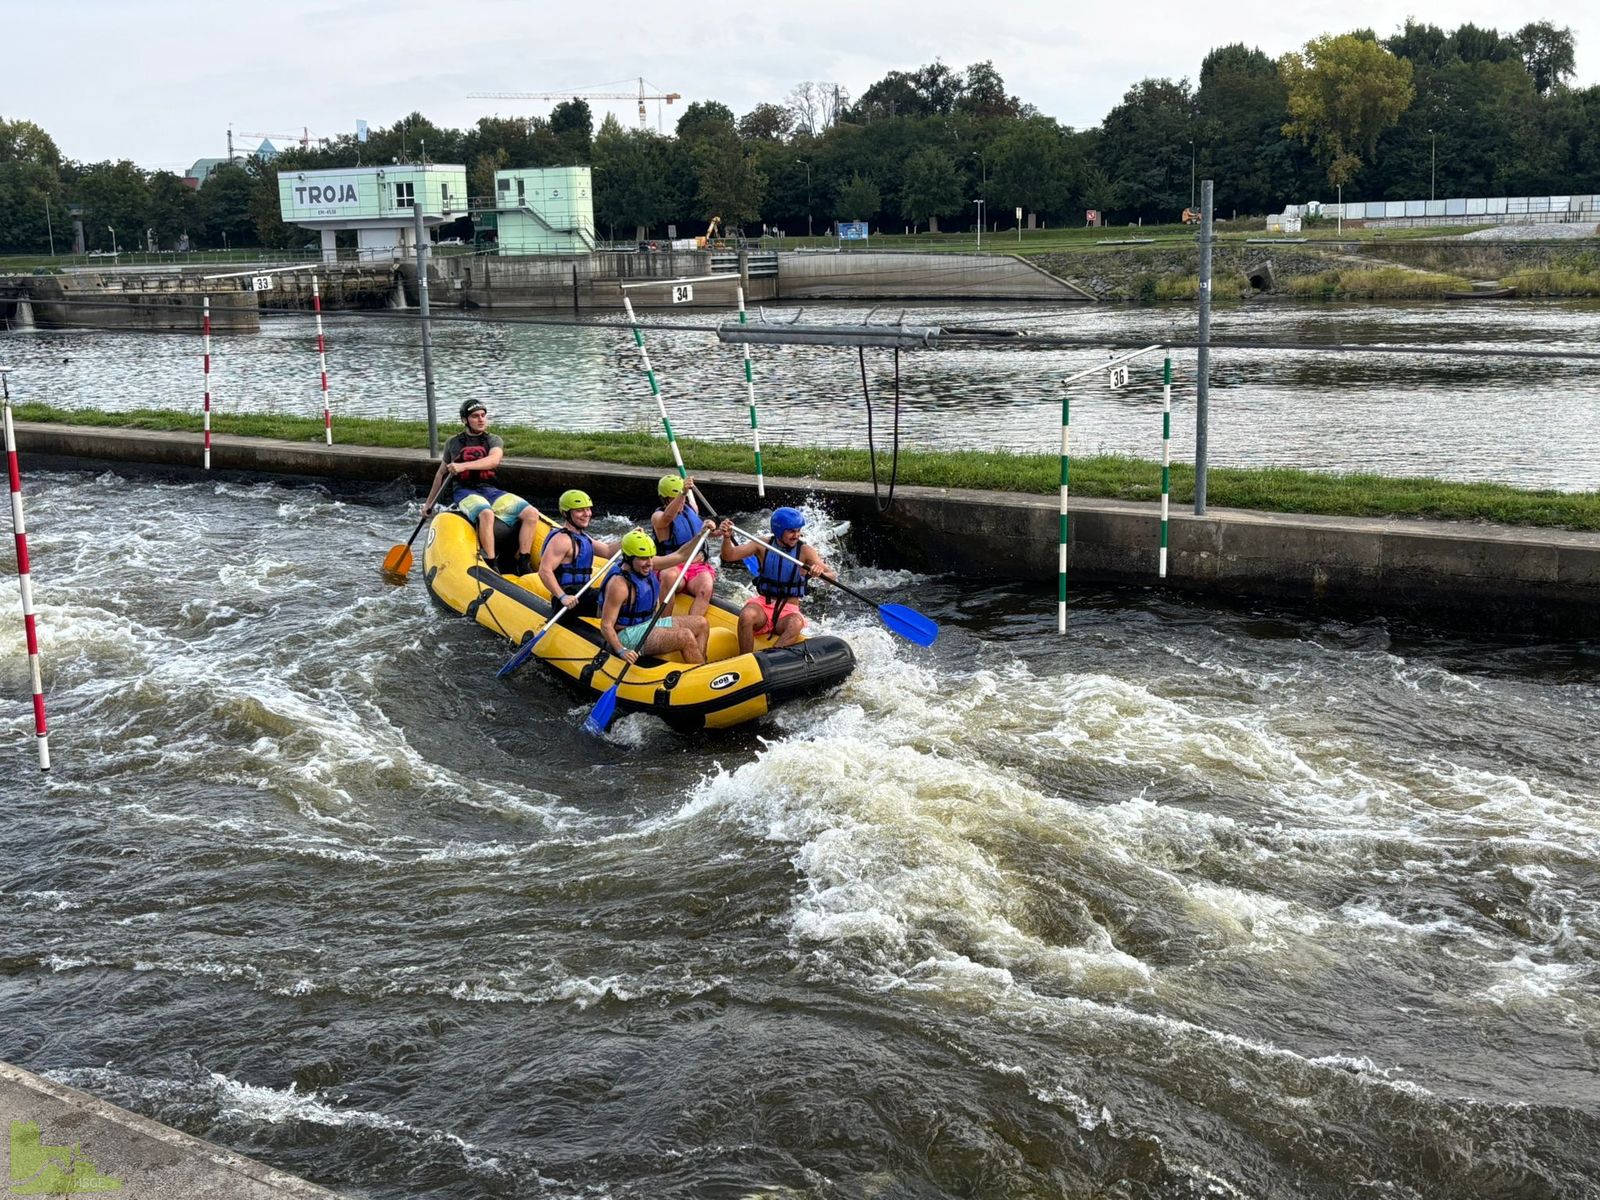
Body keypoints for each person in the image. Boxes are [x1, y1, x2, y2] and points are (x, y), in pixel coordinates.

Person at [422, 400, 541, 574]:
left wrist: (463, 466)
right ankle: (491, 563)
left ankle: (524, 562)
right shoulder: (453, 443)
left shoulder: (493, 440)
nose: (481, 419)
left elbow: (494, 460)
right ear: (465, 420)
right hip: (464, 491)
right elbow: (441, 474)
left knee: (531, 513)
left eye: (483, 415)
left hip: (490, 490)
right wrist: (429, 504)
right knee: (486, 513)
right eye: (475, 416)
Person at [599, 527, 727, 666]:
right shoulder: (619, 585)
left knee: (701, 623)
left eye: (650, 557)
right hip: (628, 634)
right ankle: (700, 672)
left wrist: (700, 535)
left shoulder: (646, 565)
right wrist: (621, 650)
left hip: (650, 623)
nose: (649, 563)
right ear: (629, 558)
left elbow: (680, 555)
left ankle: (699, 666)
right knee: (685, 636)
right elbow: (606, 625)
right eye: (643, 558)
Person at [720, 506, 835, 655]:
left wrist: (819, 573)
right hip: (763, 605)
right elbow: (729, 556)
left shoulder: (805, 551)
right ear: (779, 530)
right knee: (746, 615)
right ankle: (746, 658)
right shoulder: (762, 544)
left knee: (796, 623)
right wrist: (727, 538)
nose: (796, 535)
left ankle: (771, 658)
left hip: (788, 610)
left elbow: (831, 576)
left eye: (798, 531)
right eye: (791, 531)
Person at [537, 488, 622, 619]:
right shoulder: (562, 540)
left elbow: (608, 551)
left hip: (582, 593)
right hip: (568, 600)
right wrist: (562, 596)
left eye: (588, 509)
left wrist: (629, 539)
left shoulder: (582, 537)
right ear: (566, 514)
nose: (586, 514)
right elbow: (544, 570)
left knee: (618, 593)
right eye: (580, 510)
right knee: (618, 602)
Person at [649, 474, 718, 618]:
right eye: (675, 498)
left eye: (684, 498)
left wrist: (715, 529)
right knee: (669, 576)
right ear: (665, 499)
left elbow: (702, 533)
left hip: (695, 566)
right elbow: (667, 518)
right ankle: (665, 622)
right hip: (671, 566)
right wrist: (682, 492)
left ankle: (693, 624)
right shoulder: (658, 517)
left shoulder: (690, 509)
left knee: (706, 587)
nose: (681, 502)